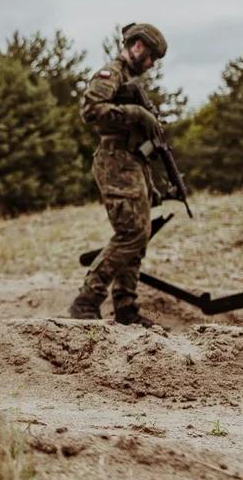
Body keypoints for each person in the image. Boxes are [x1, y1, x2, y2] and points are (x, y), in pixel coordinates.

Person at [68, 23, 169, 328]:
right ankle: (87, 299)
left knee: (140, 233)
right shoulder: (110, 74)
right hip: (114, 161)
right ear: (137, 46)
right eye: (150, 56)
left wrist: (149, 183)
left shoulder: (129, 81)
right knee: (132, 233)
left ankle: (126, 307)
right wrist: (137, 114)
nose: (151, 64)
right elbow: (91, 110)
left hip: (131, 162)